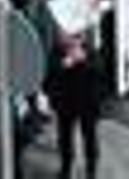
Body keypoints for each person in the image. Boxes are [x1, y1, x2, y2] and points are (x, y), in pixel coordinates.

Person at [46, 33, 102, 179]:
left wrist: (83, 61)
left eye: (76, 38)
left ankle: (91, 169)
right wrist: (65, 64)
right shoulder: (57, 52)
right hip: (65, 104)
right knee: (64, 138)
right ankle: (66, 166)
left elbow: (99, 72)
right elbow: (49, 74)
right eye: (68, 38)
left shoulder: (90, 51)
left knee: (89, 137)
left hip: (87, 104)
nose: (71, 42)